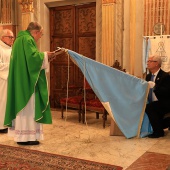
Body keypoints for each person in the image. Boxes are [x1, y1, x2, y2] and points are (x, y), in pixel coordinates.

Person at [4, 22, 64, 145]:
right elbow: (33, 59)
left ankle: (25, 137)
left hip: (22, 79)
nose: (40, 37)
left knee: (25, 109)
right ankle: (26, 137)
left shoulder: (20, 39)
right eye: (40, 34)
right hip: (27, 82)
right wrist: (46, 55)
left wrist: (45, 57)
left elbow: (30, 58)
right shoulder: (27, 39)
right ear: (35, 32)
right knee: (29, 108)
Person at [145, 55, 170, 138]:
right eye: (148, 61)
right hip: (153, 101)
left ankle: (158, 132)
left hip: (165, 102)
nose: (147, 62)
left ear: (156, 63)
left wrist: (155, 86)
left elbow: (166, 92)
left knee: (150, 107)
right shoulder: (148, 76)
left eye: (149, 61)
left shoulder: (165, 76)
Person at [0, 29, 14, 133]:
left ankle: (9, 123)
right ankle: (2, 126)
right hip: (2, 80)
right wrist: (13, 67)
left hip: (11, 79)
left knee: (9, 101)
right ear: (3, 37)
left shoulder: (12, 49)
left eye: (13, 37)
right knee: (3, 101)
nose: (12, 39)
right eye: (10, 37)